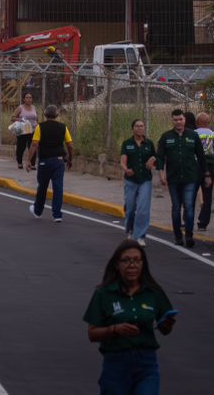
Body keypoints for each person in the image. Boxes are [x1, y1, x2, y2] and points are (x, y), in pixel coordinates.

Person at [83, 240, 176, 395]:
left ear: (143, 264)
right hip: (116, 364)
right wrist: (115, 329)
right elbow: (92, 334)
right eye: (126, 260)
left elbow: (166, 330)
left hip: (146, 363)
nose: (132, 265)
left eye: (137, 260)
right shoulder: (104, 293)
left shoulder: (153, 292)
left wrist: (166, 324)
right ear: (117, 265)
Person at [157, 109, 205, 248]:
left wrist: (206, 175)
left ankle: (189, 235)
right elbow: (160, 157)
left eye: (181, 119)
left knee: (189, 207)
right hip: (173, 179)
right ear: (172, 121)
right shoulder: (166, 137)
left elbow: (201, 156)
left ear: (184, 120)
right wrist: (161, 175)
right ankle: (178, 236)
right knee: (176, 207)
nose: (178, 122)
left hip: (190, 177)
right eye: (176, 120)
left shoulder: (193, 136)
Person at [26, 104, 73, 222]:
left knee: (42, 187)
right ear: (57, 115)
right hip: (58, 161)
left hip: (45, 161)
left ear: (45, 115)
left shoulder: (39, 127)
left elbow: (34, 144)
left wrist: (28, 160)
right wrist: (70, 159)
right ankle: (57, 215)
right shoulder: (63, 127)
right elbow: (70, 145)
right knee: (58, 188)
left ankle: (37, 211)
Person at [121, 119, 156, 246]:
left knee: (143, 209)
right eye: (137, 126)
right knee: (130, 208)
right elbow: (123, 160)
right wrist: (126, 169)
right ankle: (130, 231)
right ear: (133, 128)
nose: (139, 128)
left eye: (141, 126)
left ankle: (141, 235)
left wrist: (153, 158)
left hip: (145, 180)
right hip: (131, 180)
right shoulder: (127, 143)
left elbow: (155, 159)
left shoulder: (149, 144)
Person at [195, 111, 214, 232]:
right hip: (209, 167)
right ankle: (203, 223)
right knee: (207, 196)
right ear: (208, 122)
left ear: (197, 123)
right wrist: (213, 164)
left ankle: (188, 219)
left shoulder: (193, 134)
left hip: (195, 167)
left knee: (191, 193)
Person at [11, 92, 39, 170]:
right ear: (24, 99)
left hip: (33, 130)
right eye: (27, 97)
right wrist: (20, 119)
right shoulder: (20, 108)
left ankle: (33, 164)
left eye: (30, 97)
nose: (29, 99)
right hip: (23, 130)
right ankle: (20, 162)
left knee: (33, 146)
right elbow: (12, 118)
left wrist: (38, 126)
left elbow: (36, 119)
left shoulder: (34, 108)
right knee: (21, 147)